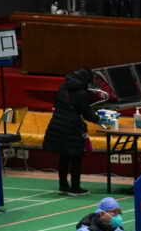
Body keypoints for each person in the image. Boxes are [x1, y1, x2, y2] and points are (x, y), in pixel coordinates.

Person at [42, 68, 103, 196]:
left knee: (64, 157)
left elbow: (56, 103)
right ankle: (75, 187)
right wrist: (98, 119)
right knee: (76, 157)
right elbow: (86, 113)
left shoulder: (63, 86)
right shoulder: (82, 92)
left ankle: (63, 186)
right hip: (72, 126)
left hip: (57, 124)